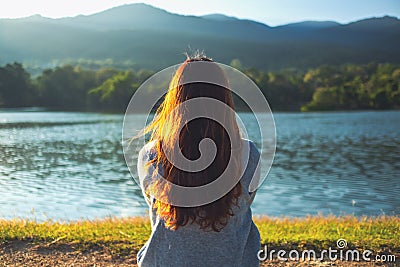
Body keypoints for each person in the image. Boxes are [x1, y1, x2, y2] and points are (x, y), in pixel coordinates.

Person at [136, 55, 261, 267]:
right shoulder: (249, 154)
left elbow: (154, 205)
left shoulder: (151, 155)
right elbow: (246, 202)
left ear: (176, 99)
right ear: (225, 99)